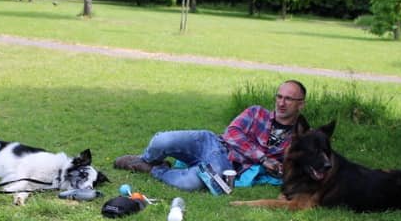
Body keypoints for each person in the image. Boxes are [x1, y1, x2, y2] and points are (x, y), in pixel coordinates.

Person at [114, 80, 308, 191]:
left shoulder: (301, 138)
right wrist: (263, 158)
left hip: (225, 167)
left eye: (289, 99)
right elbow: (231, 133)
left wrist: (278, 169)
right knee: (161, 140)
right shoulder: (257, 113)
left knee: (191, 183)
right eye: (279, 96)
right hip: (212, 143)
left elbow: (293, 168)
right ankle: (146, 159)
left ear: (301, 104)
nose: (281, 103)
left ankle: (152, 169)